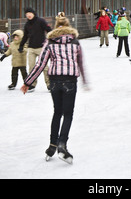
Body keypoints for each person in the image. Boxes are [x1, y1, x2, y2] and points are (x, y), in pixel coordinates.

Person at [20, 12, 87, 164]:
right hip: (70, 81)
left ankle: (52, 146)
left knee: (57, 112)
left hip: (55, 82)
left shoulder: (49, 43)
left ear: (56, 27)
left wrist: (27, 82)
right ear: (68, 26)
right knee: (68, 114)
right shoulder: (75, 42)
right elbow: (80, 63)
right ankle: (62, 144)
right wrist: (85, 80)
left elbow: (40, 64)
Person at [18, 8, 52, 91]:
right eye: (27, 14)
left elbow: (49, 30)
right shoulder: (27, 25)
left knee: (44, 67)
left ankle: (49, 84)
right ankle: (32, 84)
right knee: (31, 67)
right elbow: (25, 36)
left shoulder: (41, 21)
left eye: (30, 13)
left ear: (33, 13)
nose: (28, 15)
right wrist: (21, 45)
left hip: (41, 48)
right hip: (31, 48)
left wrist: (52, 39)